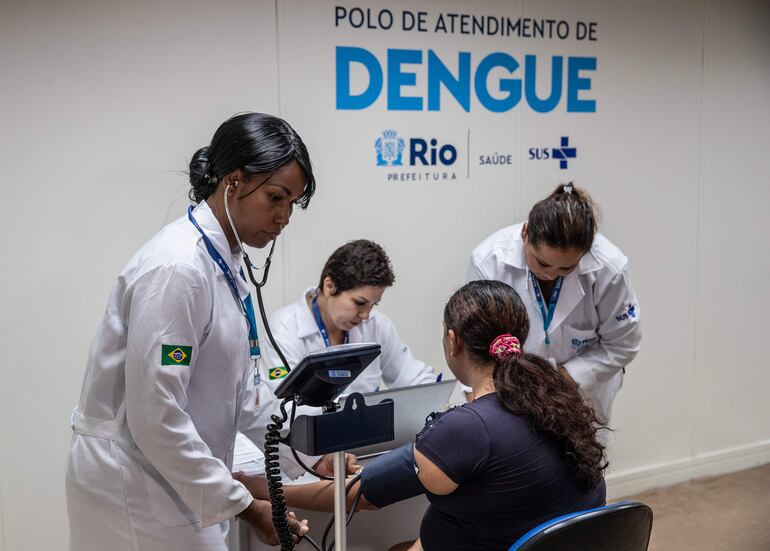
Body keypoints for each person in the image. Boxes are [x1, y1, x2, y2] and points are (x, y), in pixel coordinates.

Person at [66, 112, 317, 550]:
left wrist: (311, 455)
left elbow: (244, 395)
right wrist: (246, 505)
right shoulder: (178, 268)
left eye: (292, 203)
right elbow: (155, 415)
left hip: (176, 478)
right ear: (233, 181)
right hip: (133, 484)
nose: (285, 217)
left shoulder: (225, 262)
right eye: (276, 197)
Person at [235, 280, 607, 551]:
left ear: (453, 341)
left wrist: (263, 490)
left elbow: (358, 494)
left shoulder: (468, 427)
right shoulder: (557, 403)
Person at [467, 183, 641, 423]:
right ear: (525, 233)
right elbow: (475, 341)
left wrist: (563, 377)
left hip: (583, 393)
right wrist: (478, 395)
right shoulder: (489, 261)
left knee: (579, 445)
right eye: (542, 263)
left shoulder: (609, 268)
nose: (551, 274)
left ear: (586, 252)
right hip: (511, 390)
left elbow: (622, 344)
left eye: (566, 268)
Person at [260, 239, 435, 395]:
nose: (366, 315)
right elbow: (282, 407)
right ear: (330, 287)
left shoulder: (377, 326)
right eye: (359, 303)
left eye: (373, 305)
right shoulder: (284, 330)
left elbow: (415, 380)